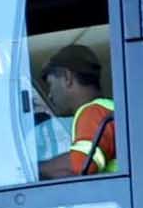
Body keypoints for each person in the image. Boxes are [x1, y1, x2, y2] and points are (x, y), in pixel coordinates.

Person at [37, 45, 118, 177]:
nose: (50, 95)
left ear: (67, 77)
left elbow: (80, 165)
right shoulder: (108, 109)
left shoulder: (93, 112)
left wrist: (34, 169)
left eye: (51, 84)